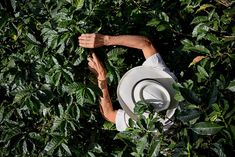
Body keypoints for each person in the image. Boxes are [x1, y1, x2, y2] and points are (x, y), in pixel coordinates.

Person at [78, 34, 178, 131]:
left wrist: (101, 76)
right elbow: (146, 44)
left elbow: (108, 114)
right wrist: (105, 40)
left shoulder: (153, 124)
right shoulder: (165, 80)